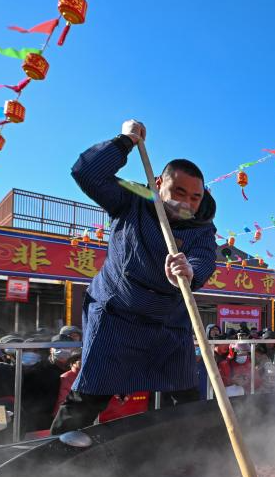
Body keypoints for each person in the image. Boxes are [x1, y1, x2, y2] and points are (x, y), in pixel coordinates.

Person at [50, 120, 218, 434]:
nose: (187, 202)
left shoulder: (203, 226)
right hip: (117, 315)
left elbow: (205, 256)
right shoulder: (133, 200)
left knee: (186, 399)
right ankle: (50, 461)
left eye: (194, 197)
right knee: (89, 395)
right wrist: (125, 141)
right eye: (178, 192)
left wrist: (191, 270)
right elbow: (86, 173)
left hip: (168, 324)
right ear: (157, 183)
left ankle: (197, 455)